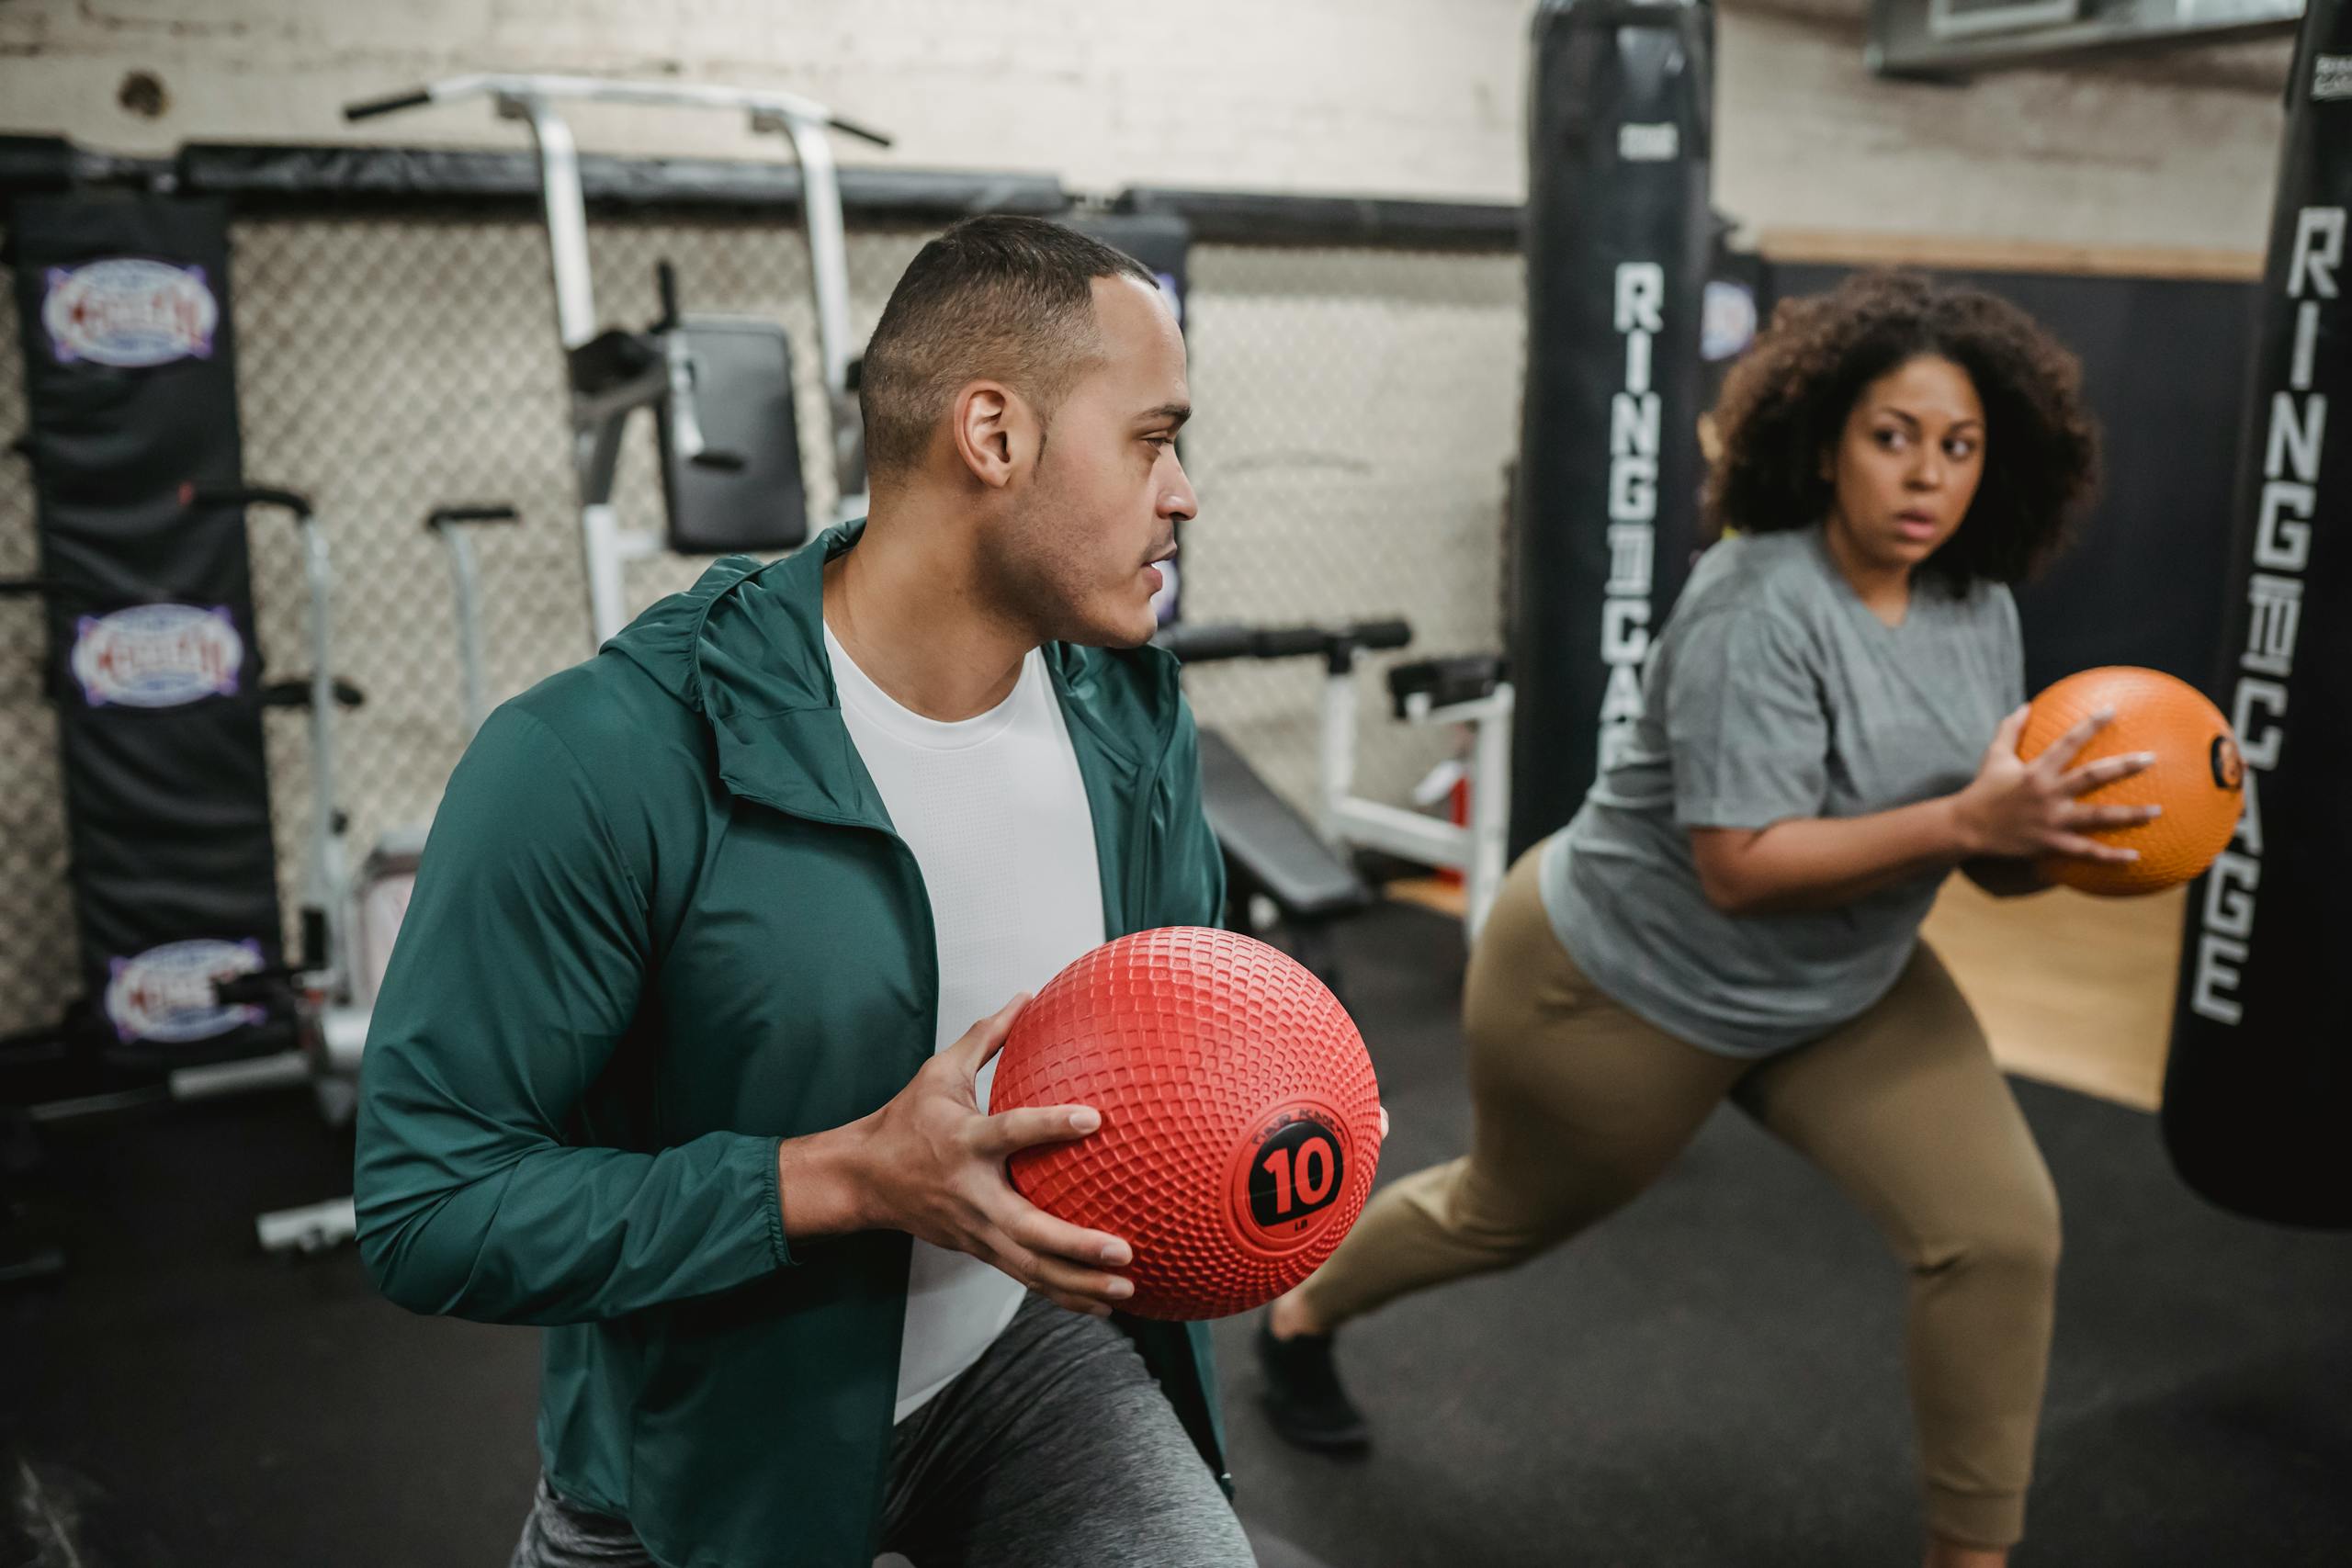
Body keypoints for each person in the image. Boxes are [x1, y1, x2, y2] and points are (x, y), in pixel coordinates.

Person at [354, 216, 1257, 1568]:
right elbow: (429, 1210)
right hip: (710, 1432)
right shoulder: (596, 760)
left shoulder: (1131, 710)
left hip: (1014, 1369)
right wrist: (838, 1180)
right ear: (994, 436)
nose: (1181, 491)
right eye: (1150, 438)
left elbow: (1170, 1039)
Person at [1259, 270, 2128, 1568]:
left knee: (2000, 1233)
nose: (1926, 478)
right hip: (1616, 983)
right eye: (1894, 438)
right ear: (1827, 438)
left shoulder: (1976, 606)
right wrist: (1967, 828)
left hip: (1842, 987)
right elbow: (1742, 865)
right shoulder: (1755, 603)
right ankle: (1302, 1315)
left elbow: (1981, 844)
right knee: (1503, 1213)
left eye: (1959, 447)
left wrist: (2063, 836)